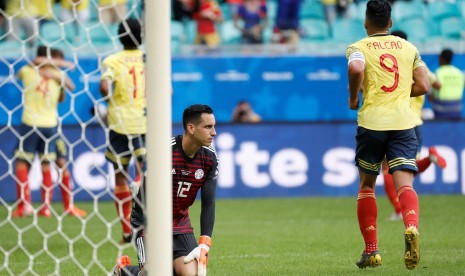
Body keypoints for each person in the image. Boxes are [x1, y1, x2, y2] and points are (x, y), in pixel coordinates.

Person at [346, 0, 429, 270]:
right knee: (405, 184)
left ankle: (371, 251)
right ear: (390, 23)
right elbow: (424, 84)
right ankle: (412, 226)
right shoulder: (410, 48)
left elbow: (357, 68)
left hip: (372, 123)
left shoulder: (359, 47)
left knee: (367, 186)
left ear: (366, 22)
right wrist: (400, 94)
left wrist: (353, 96)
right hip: (404, 123)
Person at [113, 104, 219, 276]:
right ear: (191, 128)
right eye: (208, 127)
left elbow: (208, 202)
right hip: (149, 223)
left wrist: (204, 243)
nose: (214, 132)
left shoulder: (210, 158)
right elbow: (145, 199)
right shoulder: (163, 151)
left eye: (213, 126)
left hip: (180, 223)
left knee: (191, 274)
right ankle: (123, 270)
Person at [384, 30, 447, 221]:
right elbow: (436, 86)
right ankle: (430, 159)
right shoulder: (418, 62)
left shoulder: (387, 62)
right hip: (414, 122)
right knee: (406, 169)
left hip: (394, 119)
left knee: (389, 168)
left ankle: (398, 209)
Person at [12, 45, 74, 217]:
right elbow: (68, 91)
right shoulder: (59, 76)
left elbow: (27, 67)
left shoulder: (27, 71)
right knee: (47, 164)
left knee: (22, 163)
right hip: (50, 125)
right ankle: (45, 207)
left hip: (30, 123)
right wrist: (59, 69)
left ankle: (24, 206)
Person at [100, 18, 146, 243]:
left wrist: (109, 98)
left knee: (119, 177)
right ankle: (144, 222)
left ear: (119, 36)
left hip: (119, 124)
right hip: (145, 124)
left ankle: (127, 230)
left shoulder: (112, 60)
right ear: (142, 36)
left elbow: (104, 85)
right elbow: (167, 90)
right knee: (146, 172)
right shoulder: (150, 59)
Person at [429, 48, 465, 120]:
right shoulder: (459, 73)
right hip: (457, 110)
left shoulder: (437, 73)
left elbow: (431, 97)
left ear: (441, 58)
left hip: (440, 111)